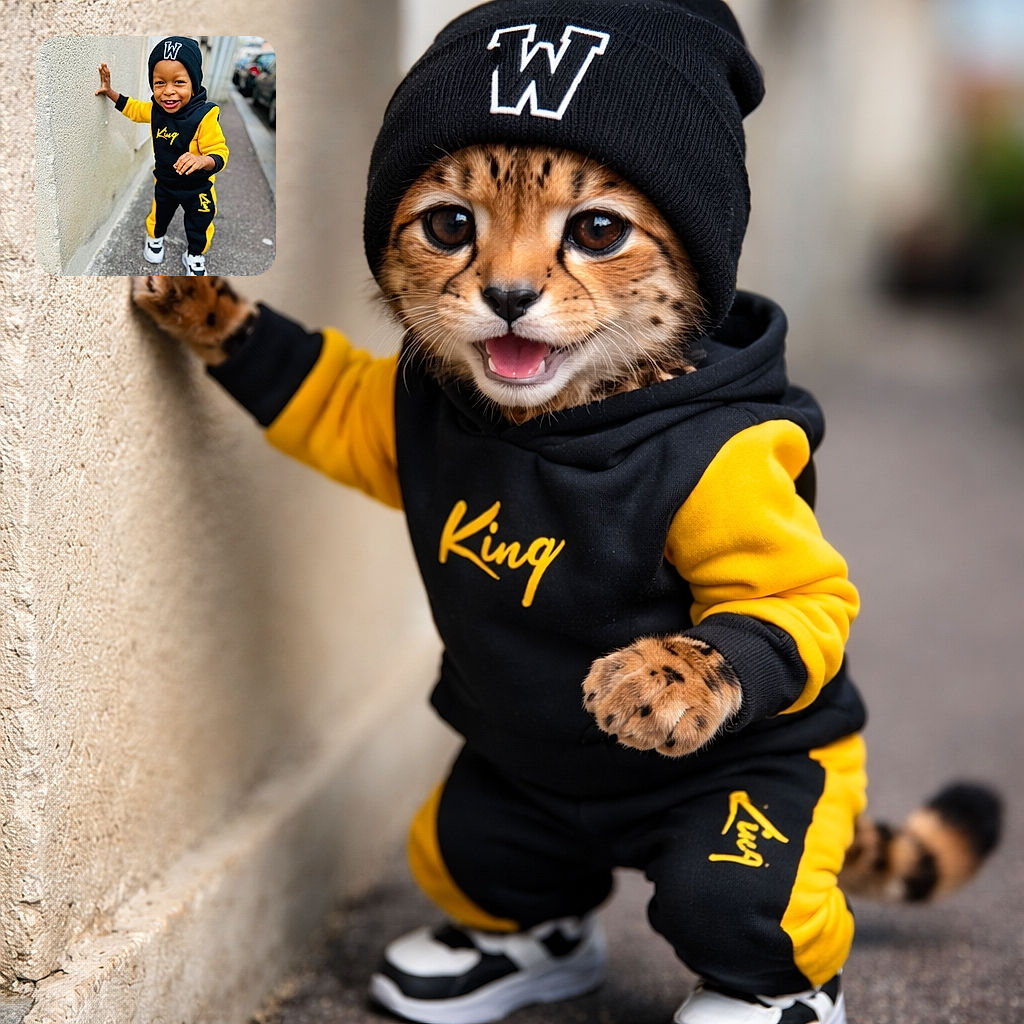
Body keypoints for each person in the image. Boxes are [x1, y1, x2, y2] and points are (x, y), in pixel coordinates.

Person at [96, 36, 228, 276]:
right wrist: (111, 92)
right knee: (159, 215)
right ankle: (155, 239)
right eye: (159, 83)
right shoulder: (157, 110)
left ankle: (195, 255)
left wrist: (202, 160)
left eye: (179, 82)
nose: (168, 92)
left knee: (200, 223)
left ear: (194, 82)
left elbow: (220, 152)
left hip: (198, 187)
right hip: (166, 182)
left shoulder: (205, 115)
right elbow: (134, 109)